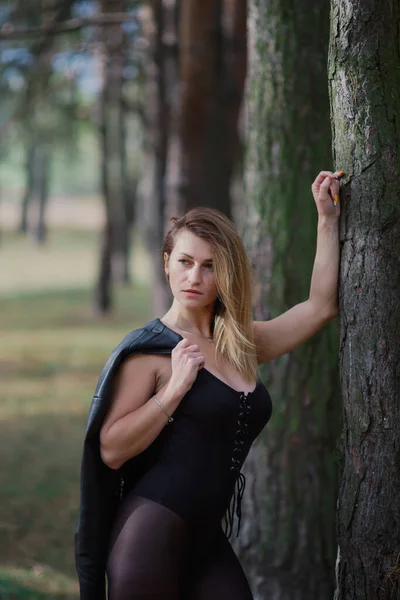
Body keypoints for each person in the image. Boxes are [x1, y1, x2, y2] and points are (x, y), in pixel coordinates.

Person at [97, 170, 341, 599]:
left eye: (210, 266)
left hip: (208, 538)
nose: (195, 277)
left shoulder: (241, 342)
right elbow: (111, 449)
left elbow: (320, 307)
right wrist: (174, 390)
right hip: (150, 535)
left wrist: (326, 218)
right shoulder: (150, 351)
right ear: (166, 264)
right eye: (185, 262)